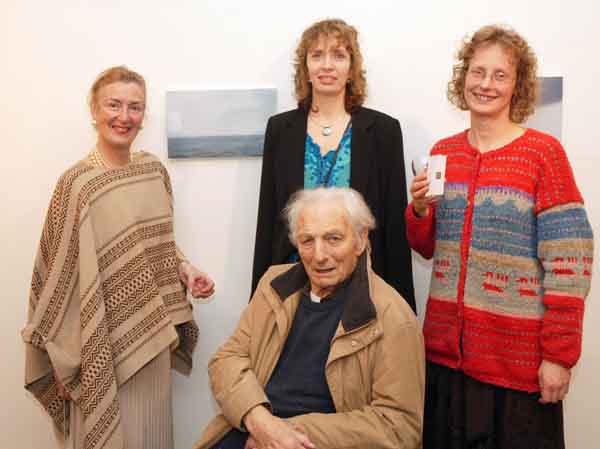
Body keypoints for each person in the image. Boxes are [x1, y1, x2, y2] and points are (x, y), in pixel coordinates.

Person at [407, 25, 594, 449]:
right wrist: (418, 210)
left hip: (518, 369)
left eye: (499, 75)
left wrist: (558, 357)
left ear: (517, 86)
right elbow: (426, 246)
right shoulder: (444, 153)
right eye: (477, 72)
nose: (485, 84)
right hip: (445, 362)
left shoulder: (542, 154)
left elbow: (571, 262)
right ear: (463, 78)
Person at [22, 66, 215, 449]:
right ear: (94, 109)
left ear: (144, 116)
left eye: (135, 107)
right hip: (94, 344)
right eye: (114, 105)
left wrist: (185, 268)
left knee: (150, 436)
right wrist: (61, 353)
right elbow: (57, 273)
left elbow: (157, 245)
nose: (124, 117)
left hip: (152, 340)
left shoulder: (153, 172)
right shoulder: (77, 184)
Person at [194, 187, 424, 449]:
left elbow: (399, 427)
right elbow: (226, 360)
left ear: (361, 240)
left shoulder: (393, 317)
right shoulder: (273, 285)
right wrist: (260, 421)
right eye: (307, 241)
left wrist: (287, 433)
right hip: (252, 428)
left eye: (333, 239)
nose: (319, 255)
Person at [252, 18, 415, 312]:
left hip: (363, 289)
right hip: (293, 288)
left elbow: (393, 226)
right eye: (317, 55)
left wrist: (402, 308)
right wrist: (258, 302)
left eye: (338, 55)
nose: (327, 65)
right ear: (306, 68)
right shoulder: (280, 130)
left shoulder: (383, 131)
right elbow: (268, 221)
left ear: (352, 68)